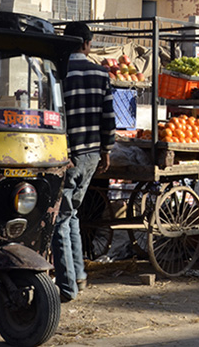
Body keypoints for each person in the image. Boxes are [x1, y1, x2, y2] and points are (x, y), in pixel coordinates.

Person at [52, 22, 115, 302]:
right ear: (87, 44)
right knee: (73, 214)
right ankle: (79, 276)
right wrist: (106, 151)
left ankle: (67, 286)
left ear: (68, 43)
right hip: (91, 155)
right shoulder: (101, 73)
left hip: (67, 155)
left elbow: (55, 116)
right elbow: (108, 117)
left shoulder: (59, 71)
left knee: (60, 220)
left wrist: (63, 154)